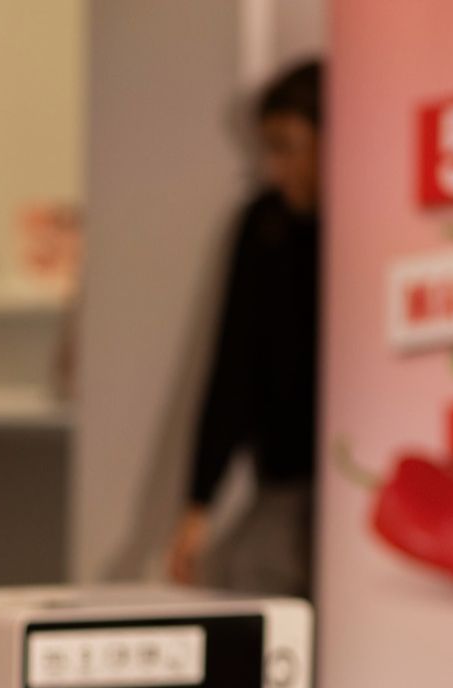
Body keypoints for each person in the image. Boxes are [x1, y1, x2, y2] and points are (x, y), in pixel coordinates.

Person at [166, 59, 322, 598]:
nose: (274, 169)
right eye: (267, 149)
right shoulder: (264, 227)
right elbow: (234, 367)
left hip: (353, 488)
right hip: (283, 484)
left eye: (287, 146)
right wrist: (198, 505)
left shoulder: (373, 229)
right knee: (249, 571)